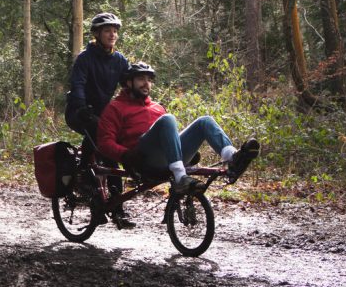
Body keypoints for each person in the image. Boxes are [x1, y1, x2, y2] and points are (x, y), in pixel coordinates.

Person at [97, 61, 260, 195]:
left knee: (205, 121)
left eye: (149, 79)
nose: (146, 83)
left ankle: (233, 158)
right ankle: (181, 178)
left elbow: (170, 136)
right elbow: (104, 142)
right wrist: (125, 155)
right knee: (168, 119)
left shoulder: (156, 107)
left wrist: (188, 148)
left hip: (167, 160)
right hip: (142, 160)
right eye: (140, 79)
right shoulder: (115, 108)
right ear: (128, 82)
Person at [65, 12, 131, 227]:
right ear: (97, 34)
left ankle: (114, 206)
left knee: (111, 151)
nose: (112, 34)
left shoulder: (119, 60)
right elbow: (78, 85)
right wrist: (82, 106)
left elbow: (129, 85)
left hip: (103, 115)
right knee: (102, 142)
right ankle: (84, 178)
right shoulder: (85, 58)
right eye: (107, 30)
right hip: (79, 112)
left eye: (114, 31)